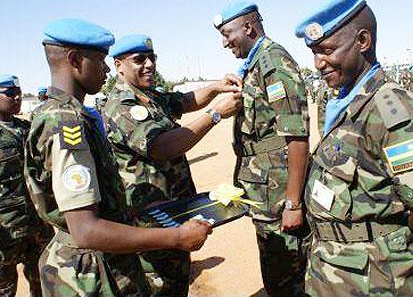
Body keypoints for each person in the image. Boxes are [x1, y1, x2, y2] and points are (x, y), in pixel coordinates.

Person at [24, 18, 212, 296]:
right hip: (89, 271)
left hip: (102, 259)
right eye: (100, 61)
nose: (106, 70)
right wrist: (177, 237)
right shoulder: (65, 124)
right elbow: (86, 230)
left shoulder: (72, 115)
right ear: (75, 60)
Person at [295, 0, 413, 295]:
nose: (318, 63)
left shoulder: (392, 109)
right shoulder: (343, 102)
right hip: (332, 269)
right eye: (314, 53)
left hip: (374, 279)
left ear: (363, 41)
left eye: (326, 50)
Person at [102, 34, 242, 296]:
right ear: (118, 65)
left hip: (173, 211)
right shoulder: (122, 106)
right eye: (139, 59)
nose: (149, 64)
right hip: (150, 220)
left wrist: (215, 88)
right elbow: (163, 147)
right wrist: (215, 115)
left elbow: (185, 100)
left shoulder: (149, 96)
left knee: (177, 280)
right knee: (161, 285)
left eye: (152, 58)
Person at [213, 1, 310, 296]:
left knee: (287, 273)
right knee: (275, 267)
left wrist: (293, 203)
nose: (224, 42)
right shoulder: (255, 64)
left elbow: (297, 136)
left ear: (248, 27)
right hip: (264, 190)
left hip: (279, 193)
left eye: (227, 33)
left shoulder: (274, 61)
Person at [0, 75, 54, 296]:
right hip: (6, 228)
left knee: (42, 281)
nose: (18, 97)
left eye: (19, 92)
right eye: (10, 93)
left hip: (36, 224)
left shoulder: (28, 128)